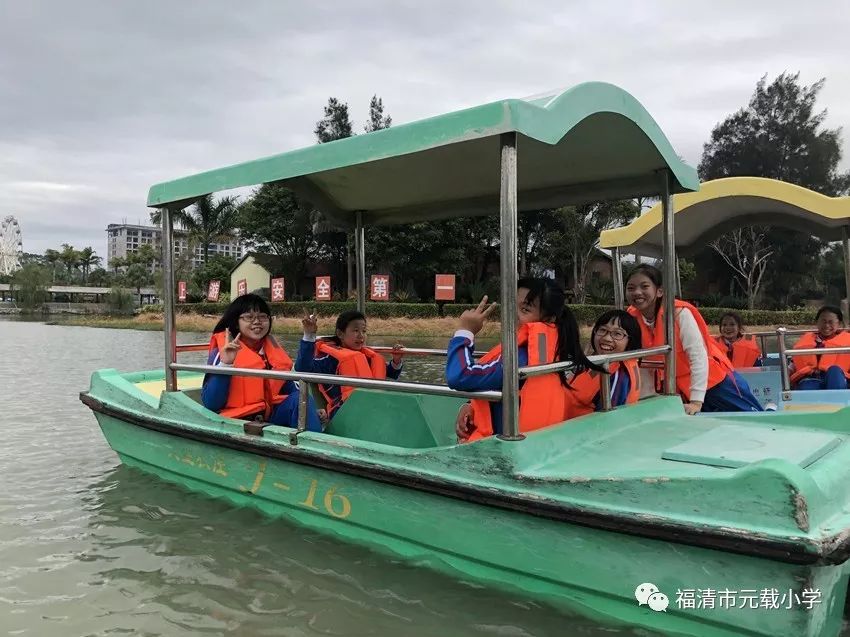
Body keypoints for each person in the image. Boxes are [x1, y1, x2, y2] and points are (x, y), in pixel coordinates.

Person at [448, 277, 603, 441]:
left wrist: (465, 331)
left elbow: (461, 376)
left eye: (525, 310)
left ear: (549, 319)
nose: (513, 314)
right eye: (511, 305)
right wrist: (470, 405)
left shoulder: (522, 357)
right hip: (530, 446)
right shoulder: (556, 351)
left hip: (503, 449)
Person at [625, 265, 763, 414]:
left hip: (715, 382)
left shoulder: (679, 313)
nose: (637, 292)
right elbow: (641, 364)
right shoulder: (630, 318)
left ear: (660, 291)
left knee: (753, 419)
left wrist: (696, 402)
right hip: (680, 387)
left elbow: (698, 356)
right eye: (631, 288)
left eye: (644, 286)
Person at [202, 294, 322, 431]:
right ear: (236, 322)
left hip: (268, 417)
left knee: (301, 400)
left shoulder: (269, 351)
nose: (257, 321)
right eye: (249, 317)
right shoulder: (223, 352)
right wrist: (226, 364)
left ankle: (314, 448)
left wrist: (310, 409)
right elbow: (211, 403)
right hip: (235, 424)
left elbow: (292, 388)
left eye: (262, 316)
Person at [296, 310, 404, 418]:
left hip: (373, 408)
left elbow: (392, 373)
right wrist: (309, 335)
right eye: (356, 331)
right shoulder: (330, 359)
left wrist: (396, 360)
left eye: (364, 331)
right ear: (340, 334)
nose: (361, 336)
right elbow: (302, 368)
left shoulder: (367, 357)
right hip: (343, 413)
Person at [568, 310, 642, 418]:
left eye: (617, 334)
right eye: (602, 330)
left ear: (630, 341)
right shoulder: (596, 362)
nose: (607, 338)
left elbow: (607, 420)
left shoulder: (618, 376)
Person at [790, 305, 850, 390]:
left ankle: (837, 400)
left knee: (834, 370)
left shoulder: (847, 341)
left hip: (838, 380)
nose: (826, 325)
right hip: (810, 379)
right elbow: (793, 363)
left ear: (839, 323)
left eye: (831, 322)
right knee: (806, 387)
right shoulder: (806, 339)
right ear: (817, 322)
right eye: (823, 321)